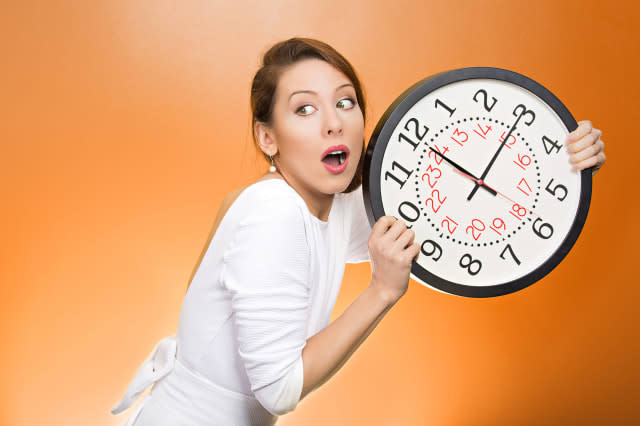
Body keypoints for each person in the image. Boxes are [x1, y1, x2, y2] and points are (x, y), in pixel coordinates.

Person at [111, 38, 606, 425]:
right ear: (268, 137)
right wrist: (382, 293)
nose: (333, 123)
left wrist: (559, 158)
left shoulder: (320, 209)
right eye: (304, 109)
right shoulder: (273, 211)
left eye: (345, 103)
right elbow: (278, 389)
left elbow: (439, 210)